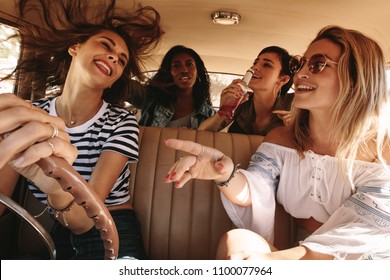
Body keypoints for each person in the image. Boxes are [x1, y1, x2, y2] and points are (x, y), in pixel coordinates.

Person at [164, 25, 390, 260]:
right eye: (300, 64)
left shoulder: (383, 153)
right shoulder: (281, 139)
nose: (301, 73)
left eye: (317, 64)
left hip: (359, 259)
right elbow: (256, 188)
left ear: (355, 78)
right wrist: (224, 172)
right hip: (295, 255)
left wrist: (275, 261)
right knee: (237, 242)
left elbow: (360, 236)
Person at [0, 0, 163, 259]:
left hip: (113, 220)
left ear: (115, 79)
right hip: (59, 224)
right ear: (75, 47)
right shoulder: (29, 114)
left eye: (121, 60)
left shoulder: (122, 121)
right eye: (106, 45)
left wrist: (54, 187)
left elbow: (89, 217)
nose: (113, 57)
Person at [198, 46, 294, 135]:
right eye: (255, 63)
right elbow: (202, 133)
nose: (253, 67)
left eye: (266, 65)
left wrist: (297, 127)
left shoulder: (295, 105)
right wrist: (223, 110)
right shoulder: (242, 100)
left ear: (283, 79)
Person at [128, 45, 215, 129]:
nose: (184, 70)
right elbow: (124, 87)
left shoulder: (208, 113)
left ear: (197, 72)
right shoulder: (151, 98)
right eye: (176, 66)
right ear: (169, 72)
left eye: (189, 64)